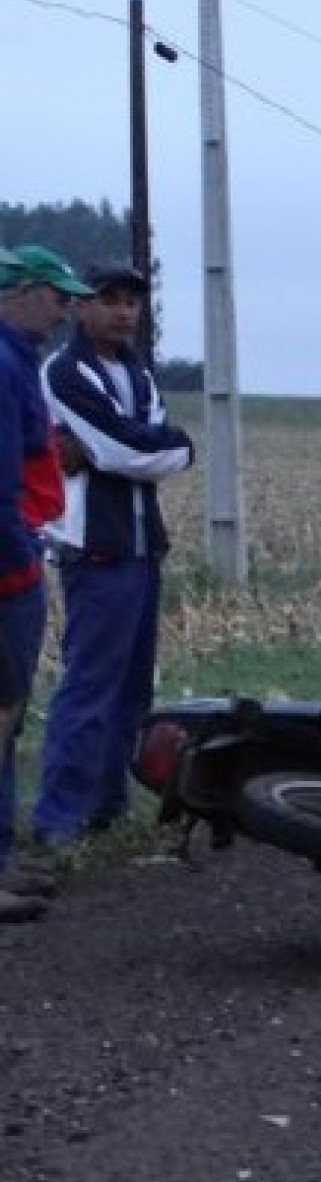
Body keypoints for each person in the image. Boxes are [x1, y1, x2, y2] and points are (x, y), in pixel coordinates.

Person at [33, 262, 194, 852]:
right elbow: (128, 448)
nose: (124, 312)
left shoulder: (137, 374)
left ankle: (104, 805)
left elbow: (145, 448)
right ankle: (58, 817)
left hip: (141, 545)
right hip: (96, 546)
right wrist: (156, 447)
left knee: (131, 689)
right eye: (109, 300)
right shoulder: (66, 373)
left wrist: (159, 447)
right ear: (80, 307)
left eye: (132, 301)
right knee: (91, 684)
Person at [0, 245, 89, 922]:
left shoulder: (17, 362)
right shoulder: (4, 365)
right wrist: (22, 565)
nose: (65, 313)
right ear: (23, 291)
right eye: (58, 298)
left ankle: (3, 853)